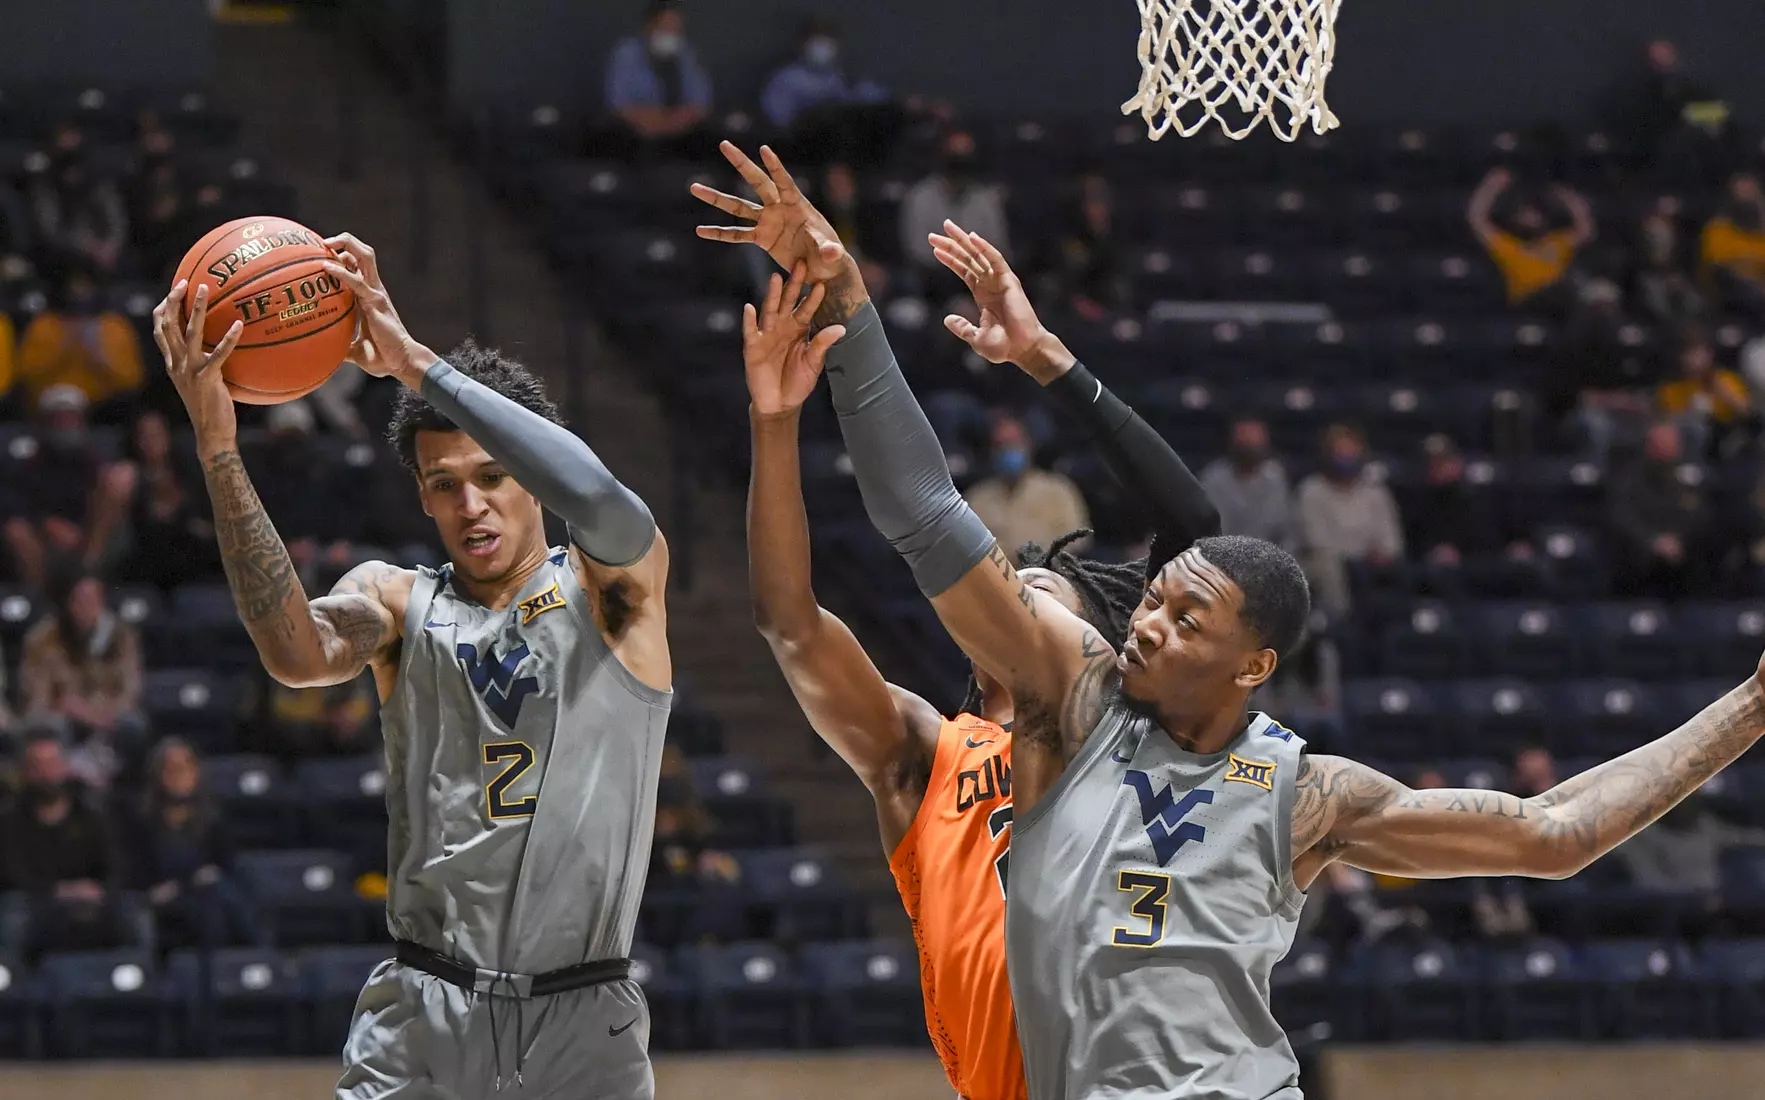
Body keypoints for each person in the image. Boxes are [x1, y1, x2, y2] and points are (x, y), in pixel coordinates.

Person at [696, 142, 1765, 1100]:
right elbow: (925, 515)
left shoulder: (1306, 795)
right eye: (1152, 603)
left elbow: (1554, 833)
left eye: (1183, 616)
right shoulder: (1073, 705)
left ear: (1252, 663)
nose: (1151, 623)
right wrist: (850, 313)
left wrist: (1750, 705)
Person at [697, 146, 1215, 1100]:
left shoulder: (1119, 722)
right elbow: (790, 628)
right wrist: (774, 425)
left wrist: (1041, 358)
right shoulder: (925, 757)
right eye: (1015, 586)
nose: (1016, 591)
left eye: (1040, 594)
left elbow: (1193, 532)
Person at [150, 230, 672, 1099]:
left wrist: (416, 364)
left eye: (493, 474)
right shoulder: (395, 601)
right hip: (421, 1012)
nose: (470, 504)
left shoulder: (614, 592)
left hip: (584, 1019)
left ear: (531, 473)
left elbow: (604, 503)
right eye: (442, 484)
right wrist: (217, 449)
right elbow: (294, 654)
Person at [0, 730, 136, 956]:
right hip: (37, 901)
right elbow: (12, 873)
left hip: (92, 900)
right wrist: (59, 890)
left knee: (132, 910)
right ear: (24, 772)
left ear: (65, 767)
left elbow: (115, 864)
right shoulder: (9, 821)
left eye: (52, 763)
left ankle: (138, 984)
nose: (45, 773)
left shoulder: (92, 816)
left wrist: (99, 890)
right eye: (37, 765)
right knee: (13, 912)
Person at [124, 737, 262, 948]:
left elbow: (225, 865)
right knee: (217, 900)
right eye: (171, 768)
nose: (179, 775)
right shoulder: (140, 822)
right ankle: (259, 953)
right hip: (162, 900)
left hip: (202, 895)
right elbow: (137, 877)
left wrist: (191, 882)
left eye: (186, 767)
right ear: (157, 775)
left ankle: (241, 961)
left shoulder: (213, 819)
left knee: (218, 899)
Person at [19, 567, 147, 789]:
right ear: (68, 602)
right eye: (81, 600)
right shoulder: (41, 639)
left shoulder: (122, 637)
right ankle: (61, 787)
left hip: (107, 714)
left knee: (133, 724)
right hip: (62, 714)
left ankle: (127, 791)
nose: (87, 608)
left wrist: (103, 712)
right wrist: (72, 709)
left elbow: (130, 688)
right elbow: (36, 694)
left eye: (93, 599)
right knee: (49, 727)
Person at [1, 384, 138, 588]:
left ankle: (88, 574)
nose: (66, 423)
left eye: (71, 416)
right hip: (47, 544)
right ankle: (37, 599)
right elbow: (16, 504)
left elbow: (105, 499)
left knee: (122, 476)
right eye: (59, 417)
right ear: (46, 422)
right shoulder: (31, 462)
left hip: (91, 540)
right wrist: (46, 523)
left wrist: (85, 533)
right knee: (16, 530)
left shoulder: (95, 457)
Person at [1296, 424, 1404, 615]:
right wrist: (1359, 554)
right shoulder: (1311, 491)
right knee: (1328, 566)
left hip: (1370, 568)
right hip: (1327, 566)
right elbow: (1317, 541)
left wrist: (1382, 553)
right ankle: (1340, 624)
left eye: (1350, 452)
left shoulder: (1376, 492)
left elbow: (1392, 540)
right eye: (1339, 452)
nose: (1346, 458)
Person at [963, 412, 1091, 565]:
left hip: (1050, 575)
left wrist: (1038, 557)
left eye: (1013, 444)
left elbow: (1080, 540)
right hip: (995, 581)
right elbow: (966, 548)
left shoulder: (1058, 490)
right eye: (1000, 446)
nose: (1007, 451)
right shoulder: (977, 497)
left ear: (1028, 445)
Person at [898, 129, 1010, 300]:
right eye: (954, 154)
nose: (959, 161)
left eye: (965, 154)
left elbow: (998, 244)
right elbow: (917, 250)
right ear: (942, 155)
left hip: (981, 280)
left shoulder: (984, 200)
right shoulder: (920, 197)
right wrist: (956, 265)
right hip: (932, 282)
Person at [1606, 420, 1712, 599]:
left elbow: (1702, 514)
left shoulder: (1691, 479)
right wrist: (1653, 541)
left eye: (1672, 444)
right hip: (1641, 558)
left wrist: (1680, 539)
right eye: (1661, 444)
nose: (1668, 449)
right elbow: (1621, 516)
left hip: (1685, 555)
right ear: (1649, 446)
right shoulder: (1629, 479)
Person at [15, 268, 146, 411]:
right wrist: (64, 345)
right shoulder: (44, 325)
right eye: (74, 288)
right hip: (49, 407)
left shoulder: (114, 326)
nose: (79, 294)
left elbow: (132, 381)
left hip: (103, 408)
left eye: (86, 287)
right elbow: (25, 374)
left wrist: (100, 360)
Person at [1467, 167, 1596, 312]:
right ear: (1515, 220)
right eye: (1524, 215)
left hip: (1561, 304)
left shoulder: (1556, 242)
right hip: (1528, 302)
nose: (1529, 218)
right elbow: (1477, 219)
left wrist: (1568, 198)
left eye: (1533, 215)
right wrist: (1491, 186)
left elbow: (1585, 230)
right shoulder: (1507, 245)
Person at [123, 409, 220, 591]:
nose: (150, 441)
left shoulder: (189, 472)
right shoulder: (129, 478)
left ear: (167, 437)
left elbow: (204, 522)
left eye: (156, 434)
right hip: (147, 560)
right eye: (144, 435)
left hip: (192, 556)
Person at [603, 0, 712, 157]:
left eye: (675, 29)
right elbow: (618, 104)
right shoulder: (626, 54)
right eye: (664, 27)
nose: (670, 33)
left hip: (681, 132)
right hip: (635, 133)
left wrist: (671, 124)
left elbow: (700, 104)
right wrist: (655, 122)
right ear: (648, 27)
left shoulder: (687, 55)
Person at [1200, 419, 1298, 550]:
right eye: (1245, 440)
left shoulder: (1276, 477)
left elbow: (1286, 531)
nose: (1250, 445)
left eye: (1255, 440)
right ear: (1232, 442)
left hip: (1270, 560)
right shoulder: (1213, 479)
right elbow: (1212, 533)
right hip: (1224, 559)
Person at [1655, 330, 1753, 460]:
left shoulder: (1724, 379)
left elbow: (1746, 412)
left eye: (1700, 352)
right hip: (1688, 445)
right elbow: (1667, 422)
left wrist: (1722, 392)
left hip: (1725, 438)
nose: (1696, 359)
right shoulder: (1672, 387)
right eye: (1691, 354)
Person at [1700, 172, 1765, 317]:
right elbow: (1721, 270)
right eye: (1741, 193)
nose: (1747, 199)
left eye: (1751, 193)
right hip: (1732, 298)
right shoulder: (1718, 229)